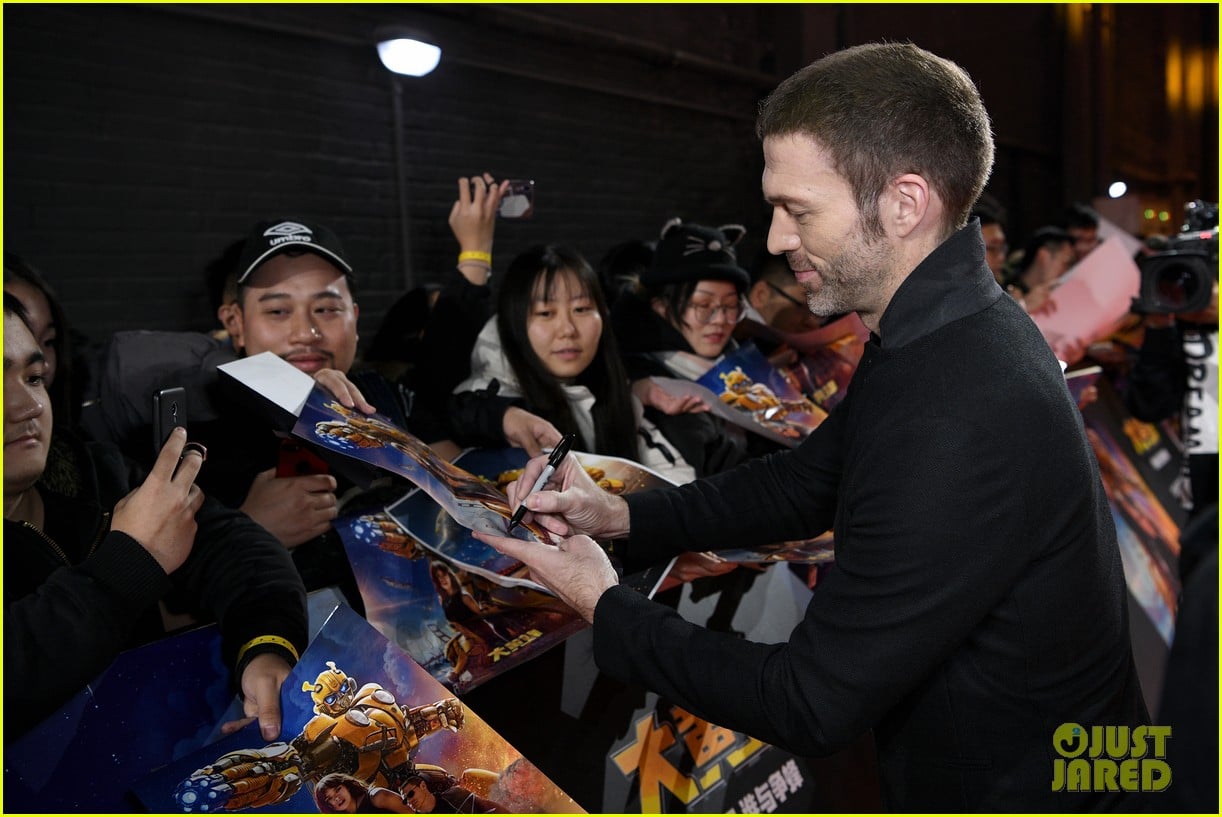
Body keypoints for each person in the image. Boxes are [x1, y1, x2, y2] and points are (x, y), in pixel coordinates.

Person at [474, 42, 1147, 811]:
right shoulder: (941, 330)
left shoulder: (958, 402)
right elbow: (807, 477)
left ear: (904, 202)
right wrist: (622, 512)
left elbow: (810, 700)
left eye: (798, 209)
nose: (774, 239)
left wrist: (605, 603)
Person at [3, 294, 308, 742]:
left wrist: (266, 646)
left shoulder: (96, 474)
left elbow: (236, 547)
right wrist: (127, 565)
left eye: (33, 377)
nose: (28, 406)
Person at [450, 243, 695, 482]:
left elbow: (671, 477)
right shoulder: (492, 395)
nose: (567, 329)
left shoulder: (615, 396)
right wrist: (506, 417)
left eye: (581, 309)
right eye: (546, 313)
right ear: (513, 324)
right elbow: (463, 412)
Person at [609, 219, 766, 477]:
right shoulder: (659, 386)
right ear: (661, 306)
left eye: (729, 306)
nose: (719, 320)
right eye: (703, 305)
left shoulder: (737, 359)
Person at [1004, 225, 1075, 313]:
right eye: (1065, 263)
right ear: (1043, 256)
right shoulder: (1003, 295)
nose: (1066, 271)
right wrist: (1024, 307)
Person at [399, 772, 509, 814]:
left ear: (423, 786)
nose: (409, 801)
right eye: (405, 800)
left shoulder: (455, 795)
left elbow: (489, 807)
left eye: (410, 794)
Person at [314, 772, 411, 813]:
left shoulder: (378, 797)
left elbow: (412, 813)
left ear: (346, 786)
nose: (337, 798)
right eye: (330, 798)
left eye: (338, 789)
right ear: (328, 805)